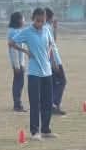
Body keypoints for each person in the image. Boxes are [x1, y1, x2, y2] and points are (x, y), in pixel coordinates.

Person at [7, 7, 57, 139]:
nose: (40, 23)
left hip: (47, 72)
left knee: (47, 102)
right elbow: (11, 43)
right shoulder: (27, 32)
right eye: (38, 20)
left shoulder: (47, 30)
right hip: (34, 73)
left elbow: (51, 43)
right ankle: (35, 132)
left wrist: (49, 54)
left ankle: (46, 129)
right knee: (35, 103)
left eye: (43, 20)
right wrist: (26, 52)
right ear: (33, 19)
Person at [46, 6, 67, 114]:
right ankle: (54, 104)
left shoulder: (47, 27)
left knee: (54, 83)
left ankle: (52, 105)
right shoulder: (46, 28)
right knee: (62, 81)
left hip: (51, 59)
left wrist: (55, 28)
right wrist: (53, 61)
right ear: (50, 17)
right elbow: (49, 46)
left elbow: (53, 41)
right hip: (53, 59)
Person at [6, 11, 27, 112]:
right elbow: (13, 50)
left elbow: (21, 48)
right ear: (18, 20)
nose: (24, 21)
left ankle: (17, 103)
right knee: (18, 83)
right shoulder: (13, 32)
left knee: (19, 82)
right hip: (17, 63)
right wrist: (17, 65)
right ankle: (17, 105)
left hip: (20, 62)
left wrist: (22, 63)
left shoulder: (17, 31)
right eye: (23, 19)